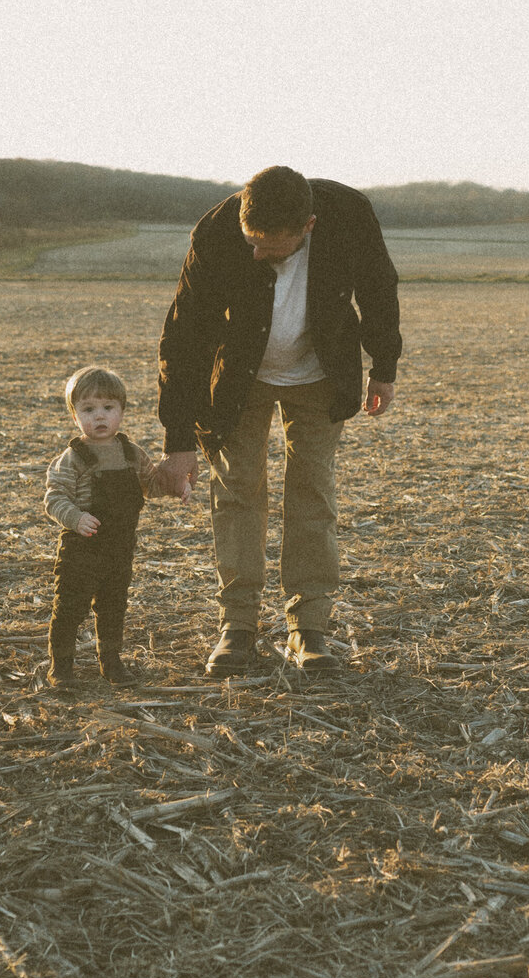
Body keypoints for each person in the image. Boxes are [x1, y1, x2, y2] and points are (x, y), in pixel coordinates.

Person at [156, 164, 401, 676]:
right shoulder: (217, 232)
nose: (256, 253)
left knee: (312, 491)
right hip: (238, 380)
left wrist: (383, 366)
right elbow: (183, 337)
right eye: (251, 240)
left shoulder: (350, 216)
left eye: (271, 246)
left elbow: (378, 286)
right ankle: (237, 627)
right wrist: (177, 440)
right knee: (238, 490)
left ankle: (309, 629)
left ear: (308, 226)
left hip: (320, 373)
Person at [44, 365, 185, 689]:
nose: (99, 416)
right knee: (69, 607)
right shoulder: (73, 457)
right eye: (88, 409)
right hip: (82, 548)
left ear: (121, 411)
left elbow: (151, 484)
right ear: (75, 414)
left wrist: (177, 487)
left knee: (113, 606)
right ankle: (61, 667)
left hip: (121, 547)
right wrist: (75, 518)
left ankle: (111, 661)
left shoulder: (131, 453)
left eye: (108, 408)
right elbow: (54, 498)